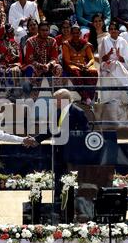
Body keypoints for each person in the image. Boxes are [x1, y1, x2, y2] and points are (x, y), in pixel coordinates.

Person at [34, 88, 90, 223]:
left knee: (71, 183)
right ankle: (59, 210)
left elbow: (85, 133)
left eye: (56, 100)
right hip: (58, 155)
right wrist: (36, 140)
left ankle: (73, 211)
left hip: (72, 156)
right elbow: (51, 130)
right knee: (59, 182)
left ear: (64, 100)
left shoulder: (78, 112)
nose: (53, 103)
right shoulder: (58, 112)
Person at [62, 24, 98, 105]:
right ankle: (86, 97)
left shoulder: (86, 43)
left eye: (77, 33)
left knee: (93, 72)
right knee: (75, 72)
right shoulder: (66, 44)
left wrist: (87, 66)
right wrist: (78, 65)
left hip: (84, 64)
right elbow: (67, 60)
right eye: (73, 33)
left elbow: (92, 59)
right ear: (71, 34)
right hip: (72, 64)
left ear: (80, 33)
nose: (75, 35)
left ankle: (90, 97)